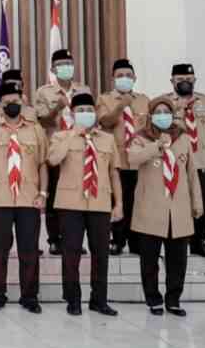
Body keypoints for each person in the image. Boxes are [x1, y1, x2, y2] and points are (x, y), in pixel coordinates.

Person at [48, 92, 122, 317]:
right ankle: (73, 299)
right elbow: (53, 160)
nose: (86, 114)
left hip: (100, 202)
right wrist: (74, 134)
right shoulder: (61, 136)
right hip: (70, 204)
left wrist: (118, 204)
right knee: (71, 253)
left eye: (89, 110)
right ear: (72, 114)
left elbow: (114, 173)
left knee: (101, 254)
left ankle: (99, 300)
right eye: (80, 111)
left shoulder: (107, 139)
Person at [128, 97, 204, 316]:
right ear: (151, 116)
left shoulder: (183, 138)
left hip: (178, 209)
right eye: (158, 112)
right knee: (149, 260)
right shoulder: (140, 138)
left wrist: (197, 202)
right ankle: (153, 299)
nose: (163, 115)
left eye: (166, 112)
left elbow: (192, 174)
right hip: (150, 209)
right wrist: (157, 146)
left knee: (178, 260)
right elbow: (133, 159)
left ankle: (173, 300)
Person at [0, 82, 48, 314]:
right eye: (7, 102)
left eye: (16, 101)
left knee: (29, 250)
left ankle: (30, 296)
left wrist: (43, 193)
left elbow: (42, 163)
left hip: (29, 198)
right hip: (0, 198)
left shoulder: (35, 129)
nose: (12, 105)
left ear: (23, 102)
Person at [34, 49, 90, 255]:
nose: (66, 67)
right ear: (53, 68)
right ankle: (55, 239)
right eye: (61, 64)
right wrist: (57, 107)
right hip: (56, 150)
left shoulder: (83, 89)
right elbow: (42, 121)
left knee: (78, 195)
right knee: (55, 196)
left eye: (69, 63)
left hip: (79, 150)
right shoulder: (44, 92)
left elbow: (90, 118)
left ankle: (75, 239)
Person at [165, 63, 205, 258]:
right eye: (180, 79)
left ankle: (199, 243)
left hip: (201, 160)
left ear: (194, 80)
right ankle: (177, 243)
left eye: (189, 79)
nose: (185, 82)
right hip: (176, 161)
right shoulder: (165, 102)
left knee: (202, 202)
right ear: (172, 81)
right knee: (177, 202)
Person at [96, 59, 149, 256]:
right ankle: (117, 240)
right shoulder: (105, 99)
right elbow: (105, 122)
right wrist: (120, 106)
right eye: (120, 76)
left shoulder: (143, 100)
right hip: (116, 159)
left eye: (128, 75)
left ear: (134, 78)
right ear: (113, 78)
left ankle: (136, 241)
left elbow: (149, 128)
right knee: (117, 199)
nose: (124, 79)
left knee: (137, 201)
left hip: (138, 160)